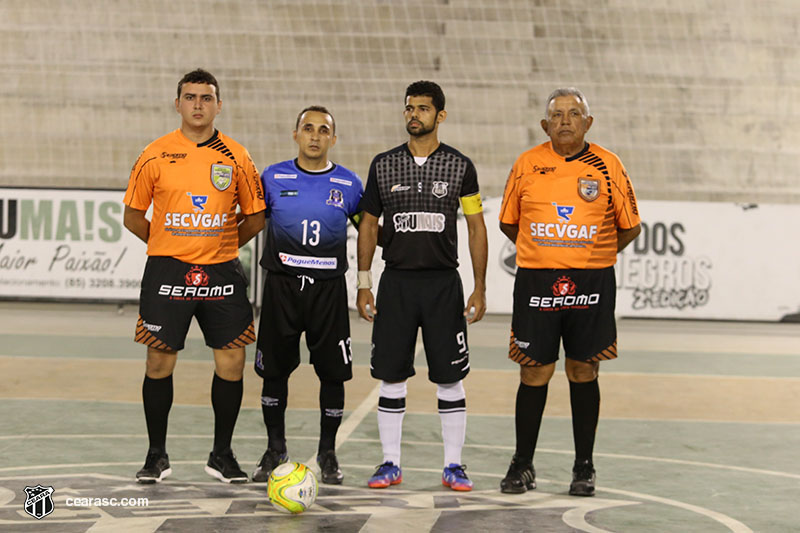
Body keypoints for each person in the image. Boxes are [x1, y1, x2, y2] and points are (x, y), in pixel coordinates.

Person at [123, 68, 266, 484]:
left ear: (218, 105)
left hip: (222, 271)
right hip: (168, 270)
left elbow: (255, 218)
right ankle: (156, 455)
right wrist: (171, 245)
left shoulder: (236, 156)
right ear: (178, 103)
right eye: (190, 97)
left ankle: (221, 455)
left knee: (233, 362)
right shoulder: (155, 153)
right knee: (158, 362)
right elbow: (133, 215)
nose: (198, 105)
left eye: (206, 98)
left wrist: (219, 246)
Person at [497, 87, 641, 496]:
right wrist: (545, 250)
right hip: (537, 282)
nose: (564, 120)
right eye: (556, 115)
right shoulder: (527, 163)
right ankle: (522, 464)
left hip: (592, 283)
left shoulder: (608, 165)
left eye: (573, 113)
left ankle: (584, 467)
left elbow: (631, 225)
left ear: (587, 122)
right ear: (545, 125)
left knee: (583, 370)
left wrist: (590, 255)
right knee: (534, 370)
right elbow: (510, 222)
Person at [356, 80, 488, 492]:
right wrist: (364, 282)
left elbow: (477, 228)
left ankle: (454, 465)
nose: (414, 115)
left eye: (423, 109)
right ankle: (390, 462)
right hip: (396, 283)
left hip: (442, 284)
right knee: (391, 376)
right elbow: (368, 226)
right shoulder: (382, 165)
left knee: (450, 377)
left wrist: (479, 287)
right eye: (409, 108)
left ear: (440, 115)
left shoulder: (460, 166)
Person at [251, 106, 364, 486]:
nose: (315, 136)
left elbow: (369, 231)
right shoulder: (272, 176)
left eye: (324, 130)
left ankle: (328, 452)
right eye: (308, 128)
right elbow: (250, 220)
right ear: (295, 133)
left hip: (328, 292)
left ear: (334, 138)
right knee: (274, 371)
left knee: (333, 373)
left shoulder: (350, 184)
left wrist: (366, 280)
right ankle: (275, 447)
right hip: (282, 287)